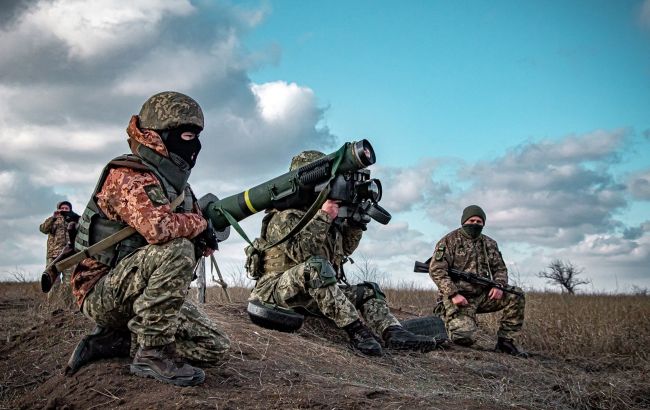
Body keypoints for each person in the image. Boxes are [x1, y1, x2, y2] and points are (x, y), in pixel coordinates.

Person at [66, 91, 230, 386]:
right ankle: (152, 352)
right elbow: (160, 229)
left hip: (137, 291)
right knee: (178, 249)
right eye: (187, 136)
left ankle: (118, 341)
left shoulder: (176, 185)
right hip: (100, 292)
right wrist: (199, 225)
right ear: (158, 136)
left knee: (215, 347)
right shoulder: (127, 175)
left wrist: (203, 240)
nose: (194, 145)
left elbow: (186, 229)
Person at [248, 150, 439, 356]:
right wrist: (324, 216)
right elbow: (303, 254)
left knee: (369, 290)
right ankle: (357, 331)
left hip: (311, 294)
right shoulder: (284, 217)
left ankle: (394, 333)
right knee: (316, 267)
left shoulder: (327, 214)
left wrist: (356, 224)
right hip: (276, 291)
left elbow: (344, 250)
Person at [428, 205, 527, 356]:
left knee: (516, 295)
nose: (475, 224)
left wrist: (499, 285)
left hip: (483, 295)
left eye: (479, 221)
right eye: (471, 220)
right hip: (459, 299)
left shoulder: (490, 243)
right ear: (464, 221)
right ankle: (445, 320)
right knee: (464, 337)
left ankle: (506, 341)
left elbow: (500, 269)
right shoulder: (449, 241)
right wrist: (453, 294)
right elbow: (436, 270)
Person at [39, 201, 79, 306]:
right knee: (53, 283)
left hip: (69, 256)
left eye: (67, 208)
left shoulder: (74, 220)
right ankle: (51, 306)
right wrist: (53, 218)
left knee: (69, 283)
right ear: (58, 209)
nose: (64, 210)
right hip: (54, 256)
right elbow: (43, 229)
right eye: (62, 208)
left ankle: (68, 306)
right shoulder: (53, 220)